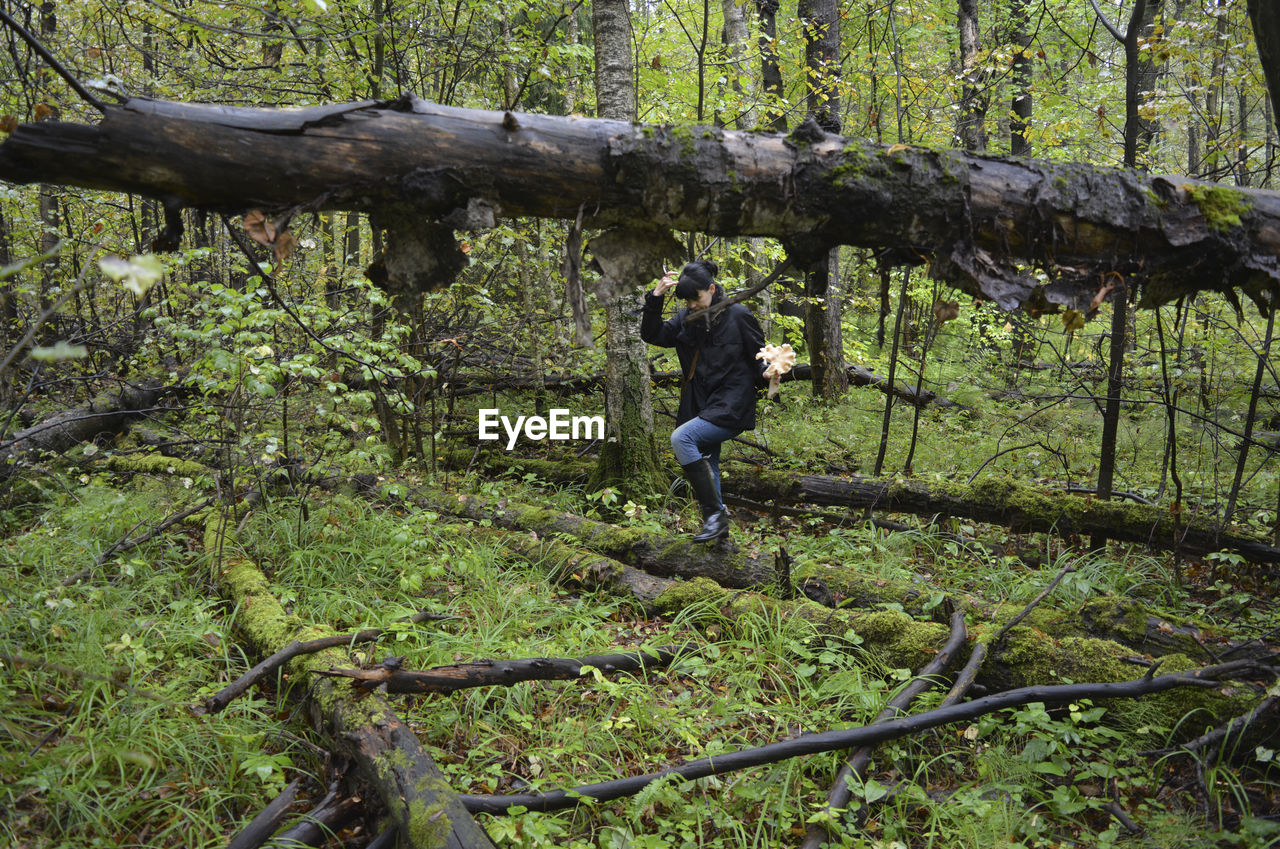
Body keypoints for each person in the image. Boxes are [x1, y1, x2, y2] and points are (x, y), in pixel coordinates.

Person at [640, 259, 772, 542]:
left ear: (711, 289)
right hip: (700, 403)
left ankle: (714, 517)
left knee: (681, 439)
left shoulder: (739, 315)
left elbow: (761, 355)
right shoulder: (687, 318)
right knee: (708, 461)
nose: (691, 304)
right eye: (686, 300)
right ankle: (718, 530)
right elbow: (651, 334)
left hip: (733, 402)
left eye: (695, 298)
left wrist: (770, 371)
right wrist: (655, 297)